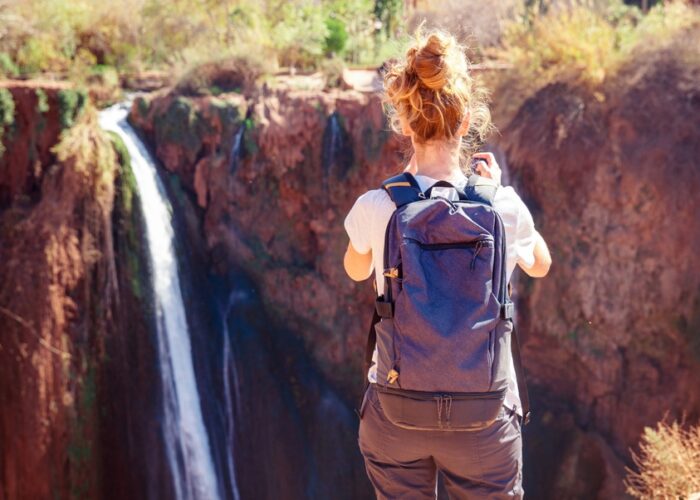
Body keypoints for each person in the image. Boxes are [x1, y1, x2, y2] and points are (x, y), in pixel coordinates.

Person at [342, 23, 552, 499]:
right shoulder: (501, 206)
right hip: (485, 415)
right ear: (464, 121)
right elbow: (540, 263)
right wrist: (500, 188)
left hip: (396, 414)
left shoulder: (378, 206)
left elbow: (356, 270)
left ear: (404, 120)